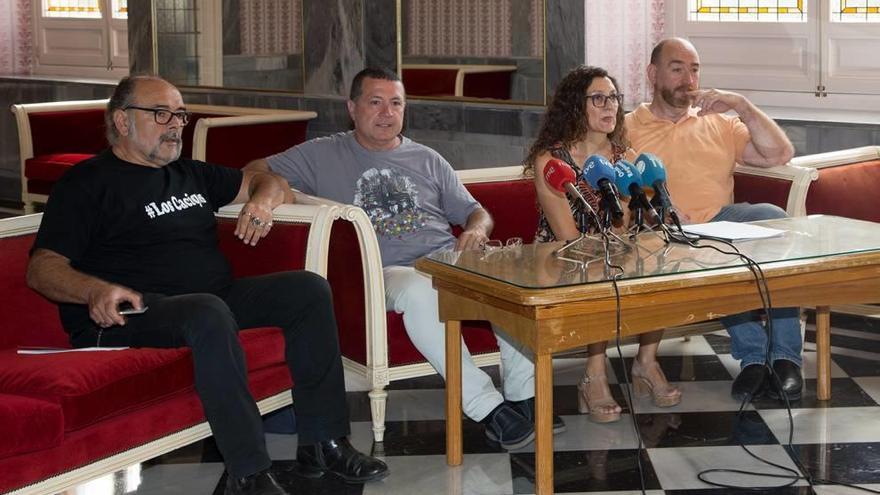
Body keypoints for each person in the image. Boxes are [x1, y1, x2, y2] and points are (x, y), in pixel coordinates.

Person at [26, 75, 389, 495]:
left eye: (180, 114)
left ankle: (323, 443)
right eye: (161, 114)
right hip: (131, 311)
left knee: (307, 289)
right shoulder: (86, 183)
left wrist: (261, 202)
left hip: (210, 299)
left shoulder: (190, 173)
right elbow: (42, 267)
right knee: (208, 311)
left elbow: (265, 179)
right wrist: (92, 290)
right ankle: (249, 471)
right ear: (122, 122)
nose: (176, 124)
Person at [245, 67, 565, 450]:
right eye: (375, 102)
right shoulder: (322, 154)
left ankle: (523, 398)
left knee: (509, 278)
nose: (386, 112)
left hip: (445, 261)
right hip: (384, 273)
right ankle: (487, 408)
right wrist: (266, 197)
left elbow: (476, 212)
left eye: (395, 103)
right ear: (352, 108)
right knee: (420, 289)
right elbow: (255, 170)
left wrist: (477, 230)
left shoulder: (427, 159)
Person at [624, 37, 802, 402]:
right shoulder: (627, 127)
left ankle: (785, 358)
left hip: (722, 220)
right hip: (666, 231)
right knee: (717, 250)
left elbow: (779, 153)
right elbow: (622, 190)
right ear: (653, 74)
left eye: (694, 70)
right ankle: (754, 360)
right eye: (677, 69)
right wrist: (659, 211)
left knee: (776, 221)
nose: (688, 79)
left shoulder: (718, 122)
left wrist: (742, 106)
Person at [524, 65, 682, 424]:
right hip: (559, 256)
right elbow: (566, 233)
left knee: (656, 264)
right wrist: (617, 246)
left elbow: (625, 223)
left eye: (613, 98)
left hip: (612, 248)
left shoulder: (623, 158)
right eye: (598, 98)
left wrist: (654, 220)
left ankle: (646, 362)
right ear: (574, 107)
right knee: (600, 269)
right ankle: (593, 374)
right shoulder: (551, 160)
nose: (609, 106)